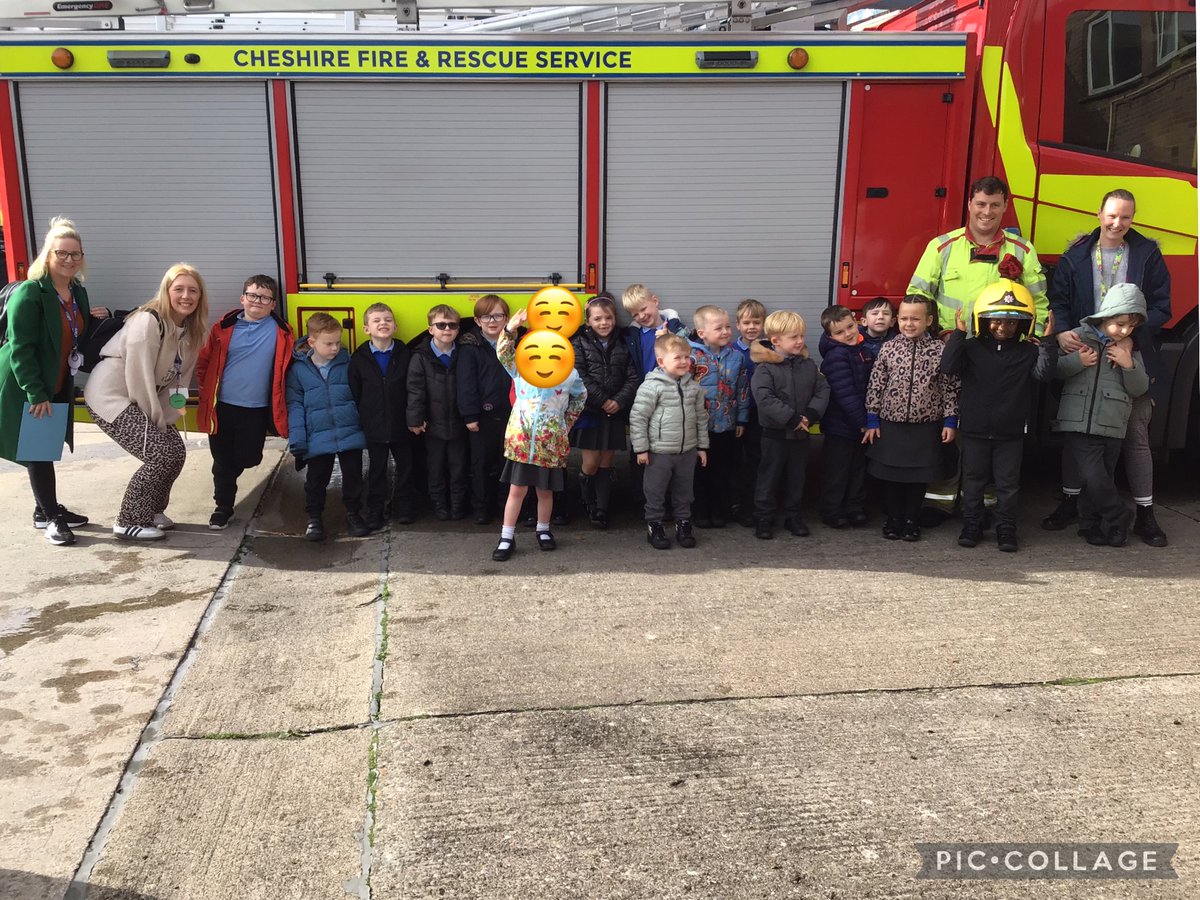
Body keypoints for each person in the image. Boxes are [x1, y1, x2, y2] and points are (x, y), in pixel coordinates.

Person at [1043, 188, 1172, 546]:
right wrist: (1065, 332)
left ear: (1133, 219)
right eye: (1112, 215)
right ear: (1099, 214)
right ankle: (1070, 503)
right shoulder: (1077, 255)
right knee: (1077, 430)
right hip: (1085, 349)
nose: (1118, 223)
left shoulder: (1147, 254)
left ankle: (1145, 514)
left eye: (1126, 217)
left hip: (1130, 351)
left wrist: (1132, 334)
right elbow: (1060, 299)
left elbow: (1163, 306)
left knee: (1134, 436)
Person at [85, 263, 209, 541]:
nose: (185, 296)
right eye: (178, 289)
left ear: (200, 296)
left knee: (175, 450)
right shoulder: (148, 322)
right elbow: (139, 380)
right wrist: (155, 423)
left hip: (141, 397)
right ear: (166, 292)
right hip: (111, 396)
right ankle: (128, 520)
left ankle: (151, 510)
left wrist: (170, 418)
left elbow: (179, 381)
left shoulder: (192, 331)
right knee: (160, 454)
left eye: (193, 290)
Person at [939, 282, 1057, 552]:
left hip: (1010, 433)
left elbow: (1043, 375)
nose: (1003, 327)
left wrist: (1048, 342)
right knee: (973, 480)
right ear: (983, 319)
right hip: (975, 429)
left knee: (1007, 484)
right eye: (996, 321)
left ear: (1024, 325)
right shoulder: (970, 348)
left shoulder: (1028, 351)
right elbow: (948, 367)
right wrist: (959, 334)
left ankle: (1006, 528)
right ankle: (972, 524)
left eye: (1012, 323)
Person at [0, 217, 93, 546]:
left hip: (55, 382)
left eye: (75, 254)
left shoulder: (77, 292)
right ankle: (50, 517)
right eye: (62, 253)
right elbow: (20, 349)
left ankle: (45, 509)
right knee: (38, 450)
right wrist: (36, 393)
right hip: (28, 384)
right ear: (48, 255)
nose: (69, 260)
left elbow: (81, 333)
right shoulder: (30, 292)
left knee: (45, 447)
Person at [1051, 283, 1149, 548]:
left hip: (1113, 423)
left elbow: (1139, 388)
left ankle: (1090, 525)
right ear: (1106, 316)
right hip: (1079, 423)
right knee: (1094, 476)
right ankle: (1119, 516)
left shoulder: (1129, 348)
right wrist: (1077, 362)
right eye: (1119, 324)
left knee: (1100, 478)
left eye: (1130, 327)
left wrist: (1129, 365)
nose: (1125, 331)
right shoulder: (1077, 338)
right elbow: (1055, 370)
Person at [196, 274, 293, 531]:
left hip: (256, 409)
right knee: (222, 462)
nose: (257, 301)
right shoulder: (223, 328)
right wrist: (206, 392)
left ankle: (230, 473)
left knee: (249, 458)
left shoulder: (282, 332)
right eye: (252, 295)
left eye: (264, 297)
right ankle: (223, 508)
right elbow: (205, 362)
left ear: (273, 304)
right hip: (223, 407)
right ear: (242, 299)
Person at [490, 307, 586, 561]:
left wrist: (566, 424)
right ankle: (506, 536)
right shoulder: (521, 368)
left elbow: (581, 396)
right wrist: (510, 329)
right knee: (516, 491)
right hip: (521, 443)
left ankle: (543, 530)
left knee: (545, 491)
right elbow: (503, 353)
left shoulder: (569, 374)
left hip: (550, 445)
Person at [864, 296, 959, 542]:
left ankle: (911, 519)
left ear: (928, 320)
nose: (909, 324)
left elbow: (950, 387)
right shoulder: (889, 348)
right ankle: (893, 518)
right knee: (893, 477)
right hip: (891, 424)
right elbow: (876, 384)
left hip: (925, 426)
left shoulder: (940, 350)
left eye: (915, 318)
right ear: (897, 320)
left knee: (917, 478)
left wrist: (950, 420)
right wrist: (872, 418)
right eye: (904, 318)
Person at [907, 175, 1049, 337]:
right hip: (949, 344)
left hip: (1002, 348)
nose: (987, 212)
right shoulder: (941, 247)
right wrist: (937, 336)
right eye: (981, 204)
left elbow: (1038, 302)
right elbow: (917, 296)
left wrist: (1034, 339)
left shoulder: (1023, 250)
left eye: (995, 205)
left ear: (1005, 206)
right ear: (969, 204)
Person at [286, 312, 368, 542]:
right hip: (317, 435)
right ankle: (314, 518)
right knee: (316, 479)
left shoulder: (348, 364)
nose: (334, 348)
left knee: (353, 476)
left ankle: (353, 513)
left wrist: (364, 427)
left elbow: (360, 397)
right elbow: (295, 406)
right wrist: (298, 440)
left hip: (349, 430)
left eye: (337, 342)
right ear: (311, 342)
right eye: (328, 343)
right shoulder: (298, 371)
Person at [749, 311, 829, 540]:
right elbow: (764, 399)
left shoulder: (808, 364)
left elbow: (822, 389)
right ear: (776, 341)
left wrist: (811, 414)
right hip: (774, 435)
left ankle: (793, 516)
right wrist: (792, 418)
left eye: (801, 336)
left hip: (801, 436)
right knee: (768, 477)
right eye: (794, 337)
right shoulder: (765, 368)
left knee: (797, 478)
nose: (800, 341)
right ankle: (764, 517)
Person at [629, 332, 708, 550]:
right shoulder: (652, 386)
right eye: (678, 358)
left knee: (685, 490)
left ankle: (683, 524)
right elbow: (638, 417)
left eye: (686, 357)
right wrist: (642, 449)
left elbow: (701, 417)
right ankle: (655, 525)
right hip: (659, 452)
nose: (684, 362)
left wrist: (702, 446)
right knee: (655, 490)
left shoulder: (693, 387)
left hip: (687, 450)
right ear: (662, 361)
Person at [570, 293, 639, 529]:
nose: (603, 323)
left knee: (607, 461)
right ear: (588, 321)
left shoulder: (624, 342)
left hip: (615, 410)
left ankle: (602, 508)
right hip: (591, 410)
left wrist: (618, 401)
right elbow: (579, 376)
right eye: (597, 318)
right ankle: (586, 498)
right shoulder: (578, 342)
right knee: (591, 461)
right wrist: (602, 401)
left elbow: (632, 375)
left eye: (608, 318)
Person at [349, 302, 414, 532]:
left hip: (402, 424)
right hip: (374, 425)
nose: (383, 324)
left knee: (406, 468)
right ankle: (375, 510)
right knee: (377, 471)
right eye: (376, 320)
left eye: (387, 320)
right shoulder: (359, 358)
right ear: (367, 329)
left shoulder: (405, 354)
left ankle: (404, 507)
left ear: (395, 326)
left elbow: (414, 388)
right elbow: (355, 392)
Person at [688, 305, 749, 528]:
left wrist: (741, 419)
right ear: (702, 333)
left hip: (727, 425)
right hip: (699, 427)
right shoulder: (692, 357)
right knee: (700, 471)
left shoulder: (736, 357)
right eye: (718, 328)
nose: (725, 331)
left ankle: (719, 510)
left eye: (727, 326)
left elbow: (743, 389)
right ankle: (700, 511)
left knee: (723, 469)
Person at [407, 304, 469, 520]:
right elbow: (415, 390)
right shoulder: (420, 357)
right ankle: (439, 506)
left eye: (452, 325)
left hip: (459, 424)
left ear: (458, 329)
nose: (447, 329)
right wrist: (415, 419)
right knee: (435, 468)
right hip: (432, 426)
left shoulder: (463, 354)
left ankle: (458, 506)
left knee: (459, 468)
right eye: (441, 325)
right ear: (430, 329)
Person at [457, 294, 512, 525]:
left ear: (506, 318)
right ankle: (481, 507)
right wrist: (470, 415)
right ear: (477, 321)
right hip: (482, 417)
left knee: (506, 464)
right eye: (486, 316)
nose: (492, 321)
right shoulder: (470, 348)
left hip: (511, 416)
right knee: (480, 464)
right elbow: (466, 384)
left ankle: (504, 506)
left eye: (498, 315)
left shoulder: (513, 344)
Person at [817, 305, 874, 529]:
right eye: (840, 333)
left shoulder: (863, 349)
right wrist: (863, 422)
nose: (848, 334)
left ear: (856, 321)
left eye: (850, 327)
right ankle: (832, 510)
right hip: (840, 427)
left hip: (859, 425)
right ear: (830, 336)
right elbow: (845, 394)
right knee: (837, 471)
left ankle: (854, 507)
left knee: (858, 469)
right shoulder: (836, 356)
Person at [733, 298, 767, 526]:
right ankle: (735, 503)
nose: (752, 327)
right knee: (736, 462)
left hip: (760, 415)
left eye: (756, 322)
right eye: (747, 322)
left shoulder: (769, 350)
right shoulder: (731, 350)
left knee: (757, 461)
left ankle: (753, 506)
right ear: (738, 325)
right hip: (734, 415)